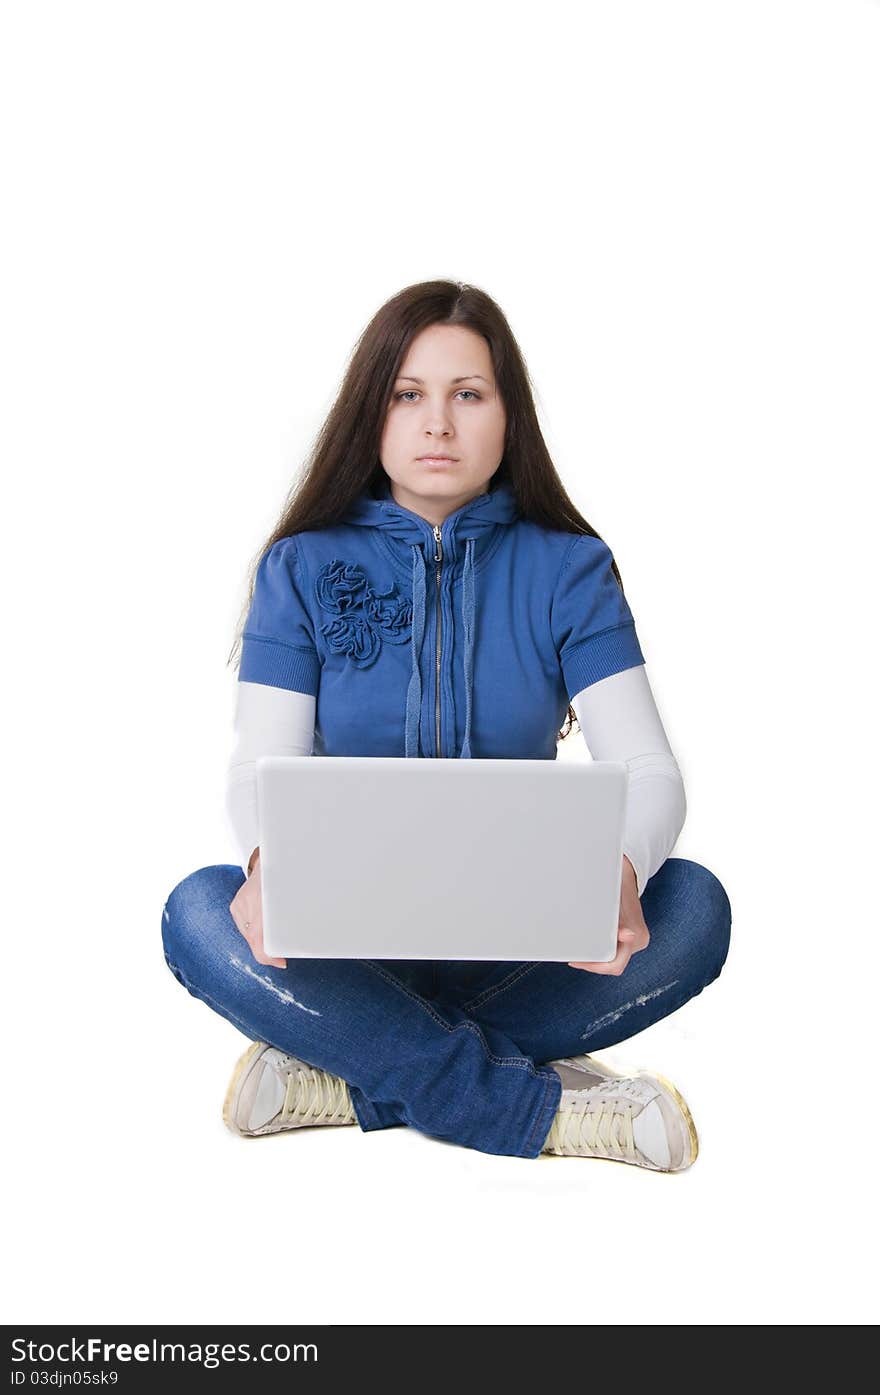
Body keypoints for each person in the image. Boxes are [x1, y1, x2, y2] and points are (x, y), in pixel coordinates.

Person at [161, 279, 732, 1173]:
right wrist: (268, 865)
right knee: (198, 911)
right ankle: (546, 1112)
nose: (438, 424)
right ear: (372, 412)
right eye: (408, 394)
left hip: (527, 950)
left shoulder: (570, 569)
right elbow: (258, 763)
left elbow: (650, 765)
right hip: (343, 953)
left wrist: (621, 870)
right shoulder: (299, 567)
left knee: (693, 905)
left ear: (509, 416)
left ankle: (355, 1071)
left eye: (468, 394)